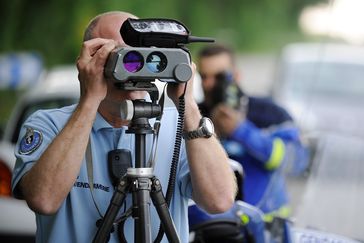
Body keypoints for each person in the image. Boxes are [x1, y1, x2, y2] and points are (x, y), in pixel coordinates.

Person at [11, 11, 235, 243]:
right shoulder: (49, 124)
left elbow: (219, 201)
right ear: (89, 60)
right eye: (118, 54)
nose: (133, 64)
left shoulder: (178, 126)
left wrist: (186, 105)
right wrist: (89, 101)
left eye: (139, 52)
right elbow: (43, 200)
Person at [196, 44, 309, 221]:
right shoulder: (191, 116)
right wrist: (211, 134)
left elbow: (295, 162)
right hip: (213, 227)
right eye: (203, 77)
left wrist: (241, 131)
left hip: (266, 228)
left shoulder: (270, 113)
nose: (209, 84)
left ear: (237, 76)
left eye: (219, 77)